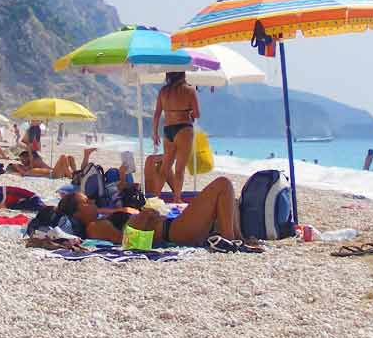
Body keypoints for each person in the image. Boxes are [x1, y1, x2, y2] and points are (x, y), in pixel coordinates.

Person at [38, 176, 246, 247]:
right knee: (223, 184)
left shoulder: (102, 219)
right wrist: (144, 218)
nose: (92, 203)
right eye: (86, 203)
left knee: (231, 200)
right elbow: (128, 243)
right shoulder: (94, 228)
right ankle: (229, 240)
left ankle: (237, 240)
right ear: (77, 214)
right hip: (172, 231)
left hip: (174, 227)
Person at [150, 72, 199, 205]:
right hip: (184, 128)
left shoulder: (163, 91)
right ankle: (177, 198)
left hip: (168, 130)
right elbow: (197, 113)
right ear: (182, 75)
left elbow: (157, 114)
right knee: (179, 168)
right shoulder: (189, 90)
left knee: (165, 167)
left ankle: (155, 198)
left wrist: (155, 133)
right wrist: (190, 113)